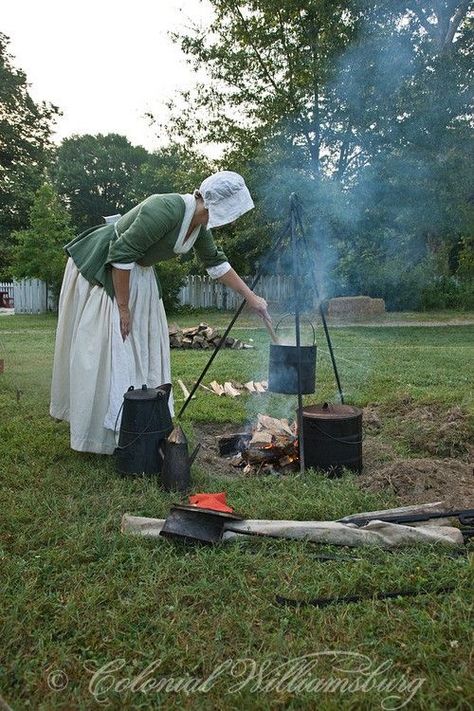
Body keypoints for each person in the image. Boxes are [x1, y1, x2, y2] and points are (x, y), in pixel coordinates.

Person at [50, 171, 270, 455]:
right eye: (234, 211)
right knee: (112, 345)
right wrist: (123, 307)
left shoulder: (199, 226)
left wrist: (252, 298)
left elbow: (216, 263)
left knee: (139, 347)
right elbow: (121, 253)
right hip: (107, 267)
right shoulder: (165, 208)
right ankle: (101, 432)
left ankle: (136, 423)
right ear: (218, 203)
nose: (235, 219)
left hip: (136, 274)